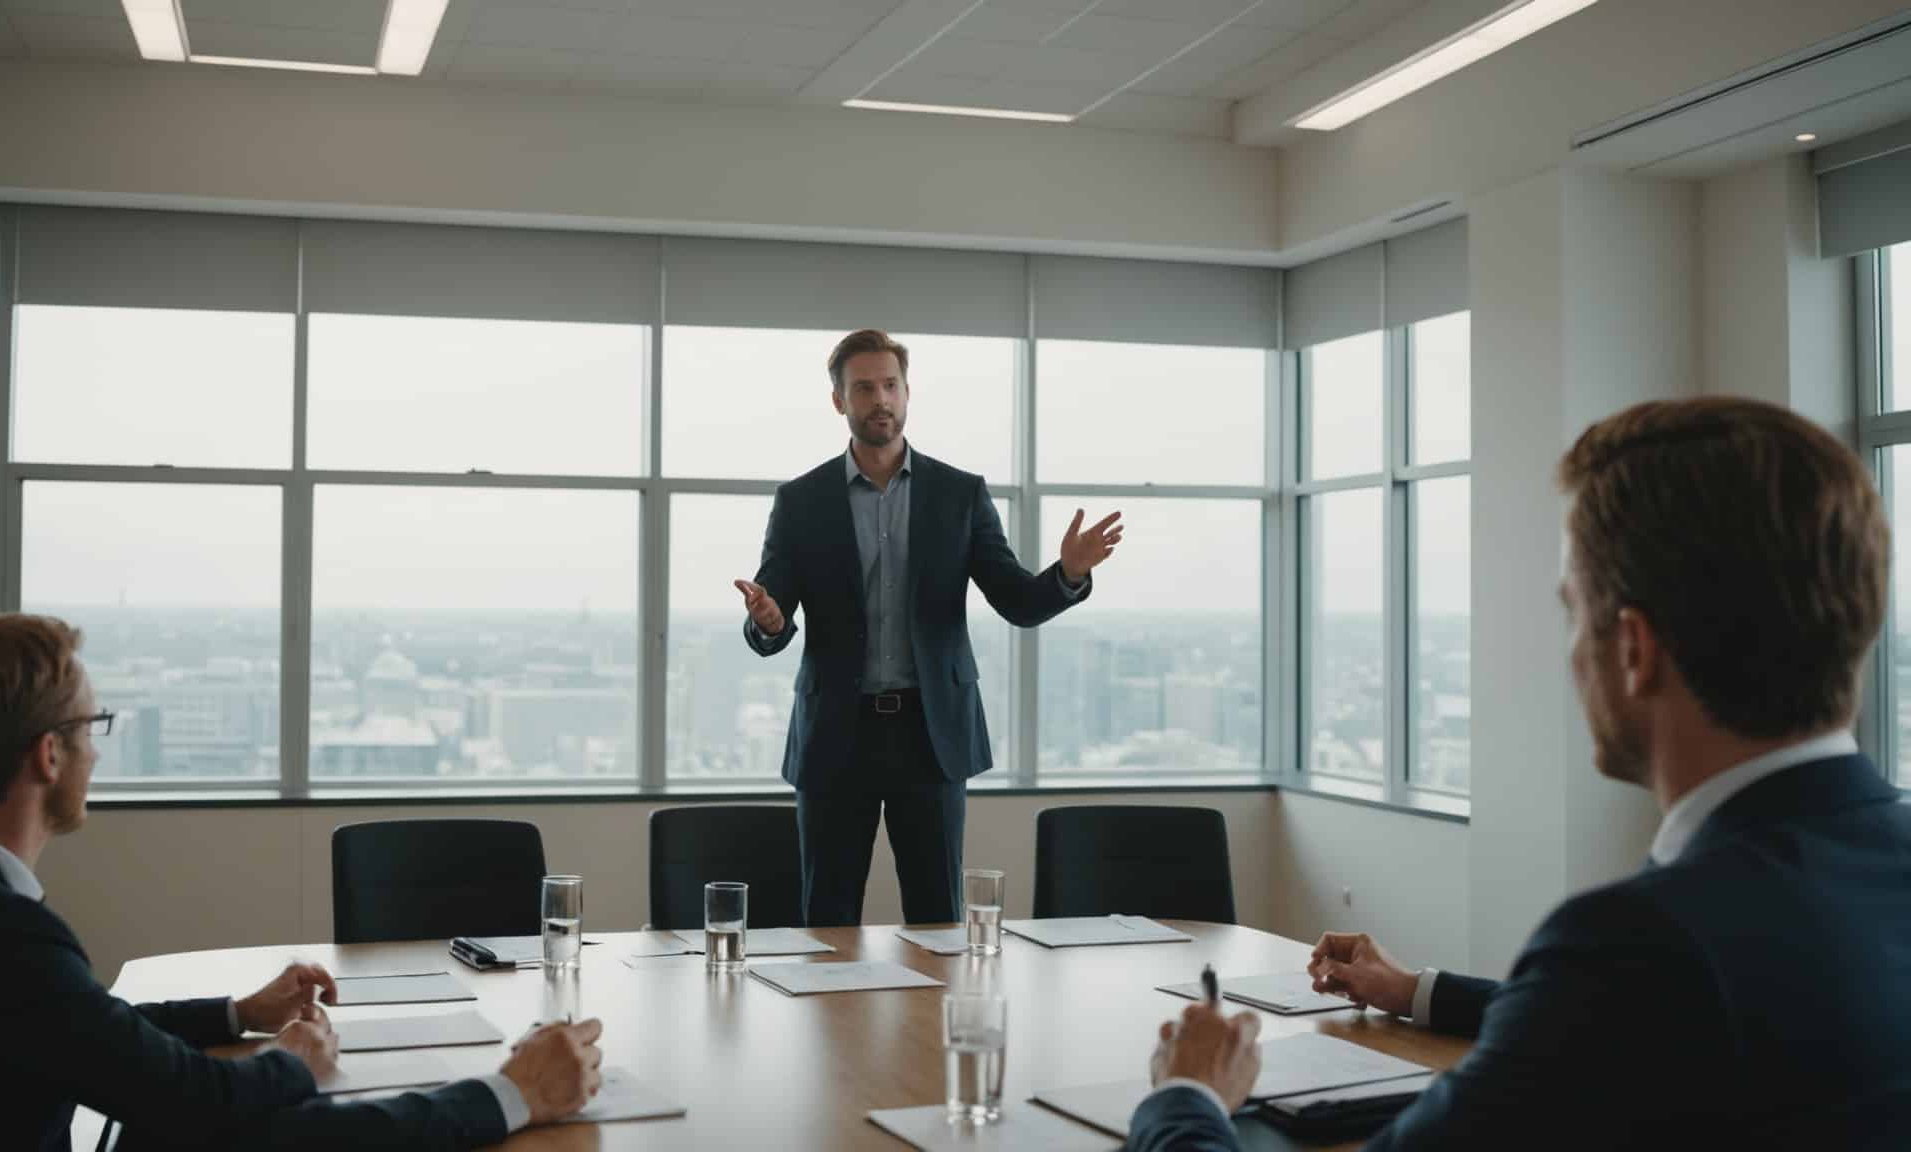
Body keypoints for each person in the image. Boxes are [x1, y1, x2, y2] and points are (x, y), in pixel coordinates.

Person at [1132, 396, 1911, 1150]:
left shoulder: (1636, 947)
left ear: (1635, 650)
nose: (1570, 652)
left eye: (1573, 612)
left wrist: (1186, 1096)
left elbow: (1635, 1002)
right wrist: (1416, 992)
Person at [0, 614, 606, 1150]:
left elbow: (80, 1025)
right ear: (50, 755)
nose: (96, 749)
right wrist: (510, 1093)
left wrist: (238, 1014)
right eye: (93, 726)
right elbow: (200, 1103)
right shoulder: (0, 934)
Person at [735, 329, 1123, 926]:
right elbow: (773, 616)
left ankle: (938, 1024)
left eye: (890, 385)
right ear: (839, 401)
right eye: (863, 388)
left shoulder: (959, 494)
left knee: (937, 915)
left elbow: (1017, 601)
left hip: (931, 732)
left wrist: (1067, 574)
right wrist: (766, 621)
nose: (879, 399)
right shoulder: (801, 500)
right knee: (828, 913)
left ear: (908, 393)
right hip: (836, 735)